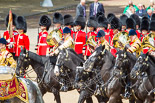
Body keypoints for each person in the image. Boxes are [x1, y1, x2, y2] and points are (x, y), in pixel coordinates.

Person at [52, 27, 75, 91]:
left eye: (65, 34)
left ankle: (65, 84)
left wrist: (56, 51)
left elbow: (63, 46)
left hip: (70, 57)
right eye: (63, 34)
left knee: (62, 66)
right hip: (65, 56)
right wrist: (55, 47)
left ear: (68, 34)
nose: (63, 35)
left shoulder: (70, 40)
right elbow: (59, 46)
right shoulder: (65, 39)